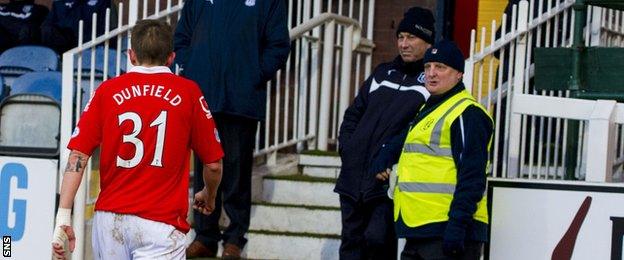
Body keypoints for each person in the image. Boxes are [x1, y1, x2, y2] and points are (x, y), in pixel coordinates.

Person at [50, 19, 224, 260]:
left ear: (131, 55)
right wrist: (209, 194)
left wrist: (63, 217)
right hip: (160, 224)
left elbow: (77, 156)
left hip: (109, 222)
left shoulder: (107, 91)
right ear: (171, 57)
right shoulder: (189, 92)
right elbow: (214, 165)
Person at [173, 0, 290, 258]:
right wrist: (191, 68)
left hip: (241, 101)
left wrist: (253, 74)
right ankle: (205, 236)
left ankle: (235, 237)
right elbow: (181, 38)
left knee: (236, 169)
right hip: (203, 99)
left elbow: (279, 45)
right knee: (204, 169)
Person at [334, 7, 434, 260]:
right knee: (350, 245)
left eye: (411, 38)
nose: (404, 44)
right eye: (400, 37)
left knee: (378, 241)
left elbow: (419, 129)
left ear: (428, 41)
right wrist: (348, 149)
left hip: (386, 179)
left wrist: (392, 161)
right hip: (353, 174)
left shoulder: (431, 82)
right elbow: (353, 115)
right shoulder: (382, 72)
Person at [390, 40, 493, 259]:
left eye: (441, 67)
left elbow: (472, 177)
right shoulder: (430, 109)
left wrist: (457, 227)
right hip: (419, 229)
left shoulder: (467, 113)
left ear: (459, 74)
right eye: (428, 67)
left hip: (448, 231)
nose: (432, 73)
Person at [41, 0, 114, 53]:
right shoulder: (59, 3)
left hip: (90, 48)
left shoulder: (102, 2)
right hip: (62, 49)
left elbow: (108, 30)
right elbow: (47, 28)